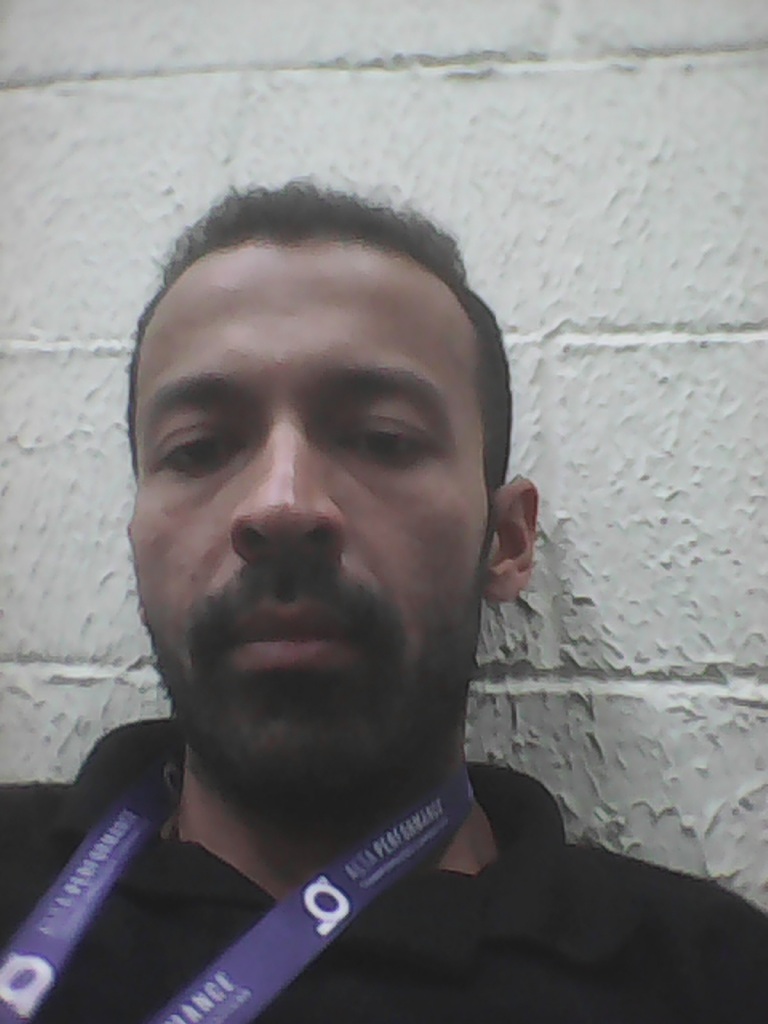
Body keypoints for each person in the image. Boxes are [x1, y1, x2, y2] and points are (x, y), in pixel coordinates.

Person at [0, 182, 765, 1024]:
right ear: (137, 533)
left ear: (507, 540)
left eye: (383, 439)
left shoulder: (713, 980)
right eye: (200, 448)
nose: (282, 504)